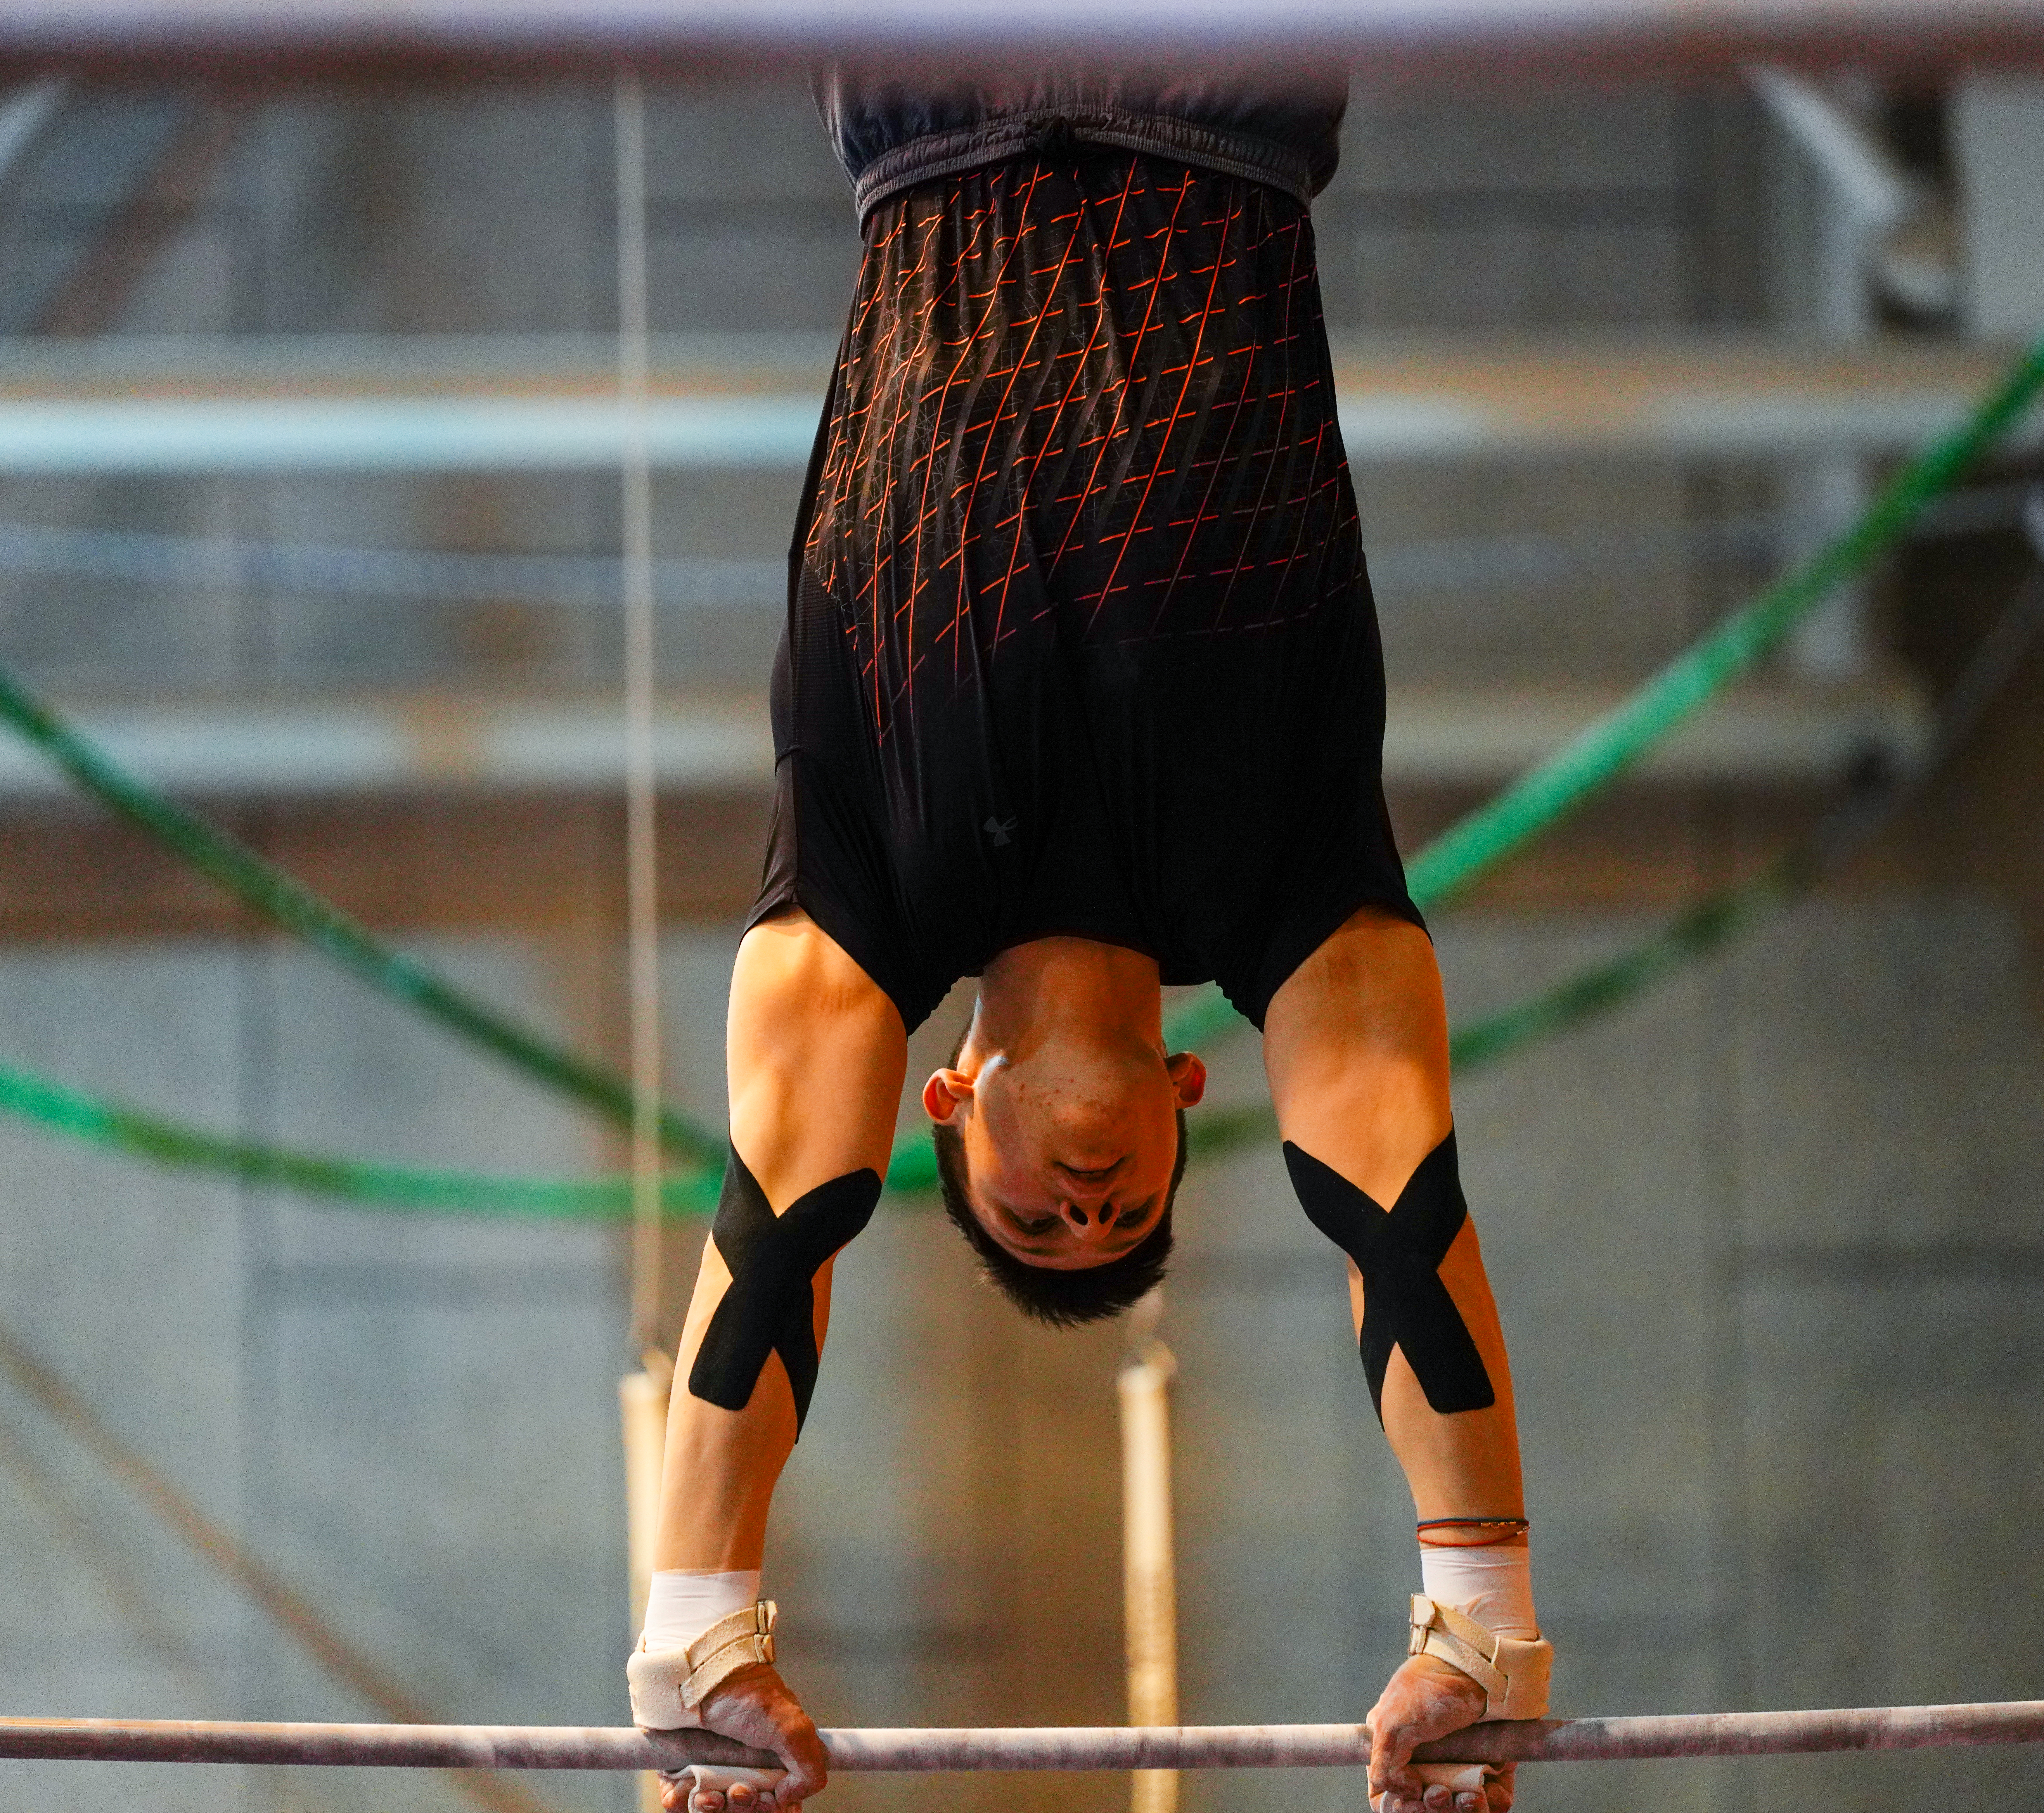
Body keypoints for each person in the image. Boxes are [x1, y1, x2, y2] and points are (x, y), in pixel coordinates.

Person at [624, 63, 1553, 1813]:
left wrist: (698, 1622)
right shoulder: (1287, 902)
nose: (1089, 1195)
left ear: (947, 1099)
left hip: (938, 104)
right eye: (1125, 1208)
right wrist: (1481, 1619)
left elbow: (775, 1236)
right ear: (1195, 1098)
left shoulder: (868, 903)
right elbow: (1403, 1225)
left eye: (1038, 1213)